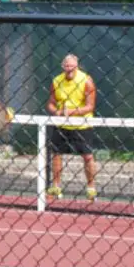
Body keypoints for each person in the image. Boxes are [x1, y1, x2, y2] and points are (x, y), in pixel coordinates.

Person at [45, 54, 98, 201]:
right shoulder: (56, 81)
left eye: (72, 67)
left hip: (82, 125)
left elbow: (90, 106)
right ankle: (56, 187)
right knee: (56, 154)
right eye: (66, 66)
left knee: (87, 156)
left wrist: (72, 112)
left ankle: (91, 189)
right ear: (63, 67)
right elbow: (50, 103)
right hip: (61, 124)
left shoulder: (86, 81)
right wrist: (57, 112)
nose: (69, 69)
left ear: (77, 66)